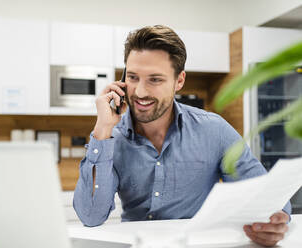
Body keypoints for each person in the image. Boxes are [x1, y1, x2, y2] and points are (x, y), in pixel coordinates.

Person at [73, 25, 291, 247]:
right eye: (133, 77)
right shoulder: (112, 138)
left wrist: (276, 218)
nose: (139, 92)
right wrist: (102, 129)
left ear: (179, 81)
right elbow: (91, 216)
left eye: (155, 79)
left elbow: (265, 193)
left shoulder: (213, 130)